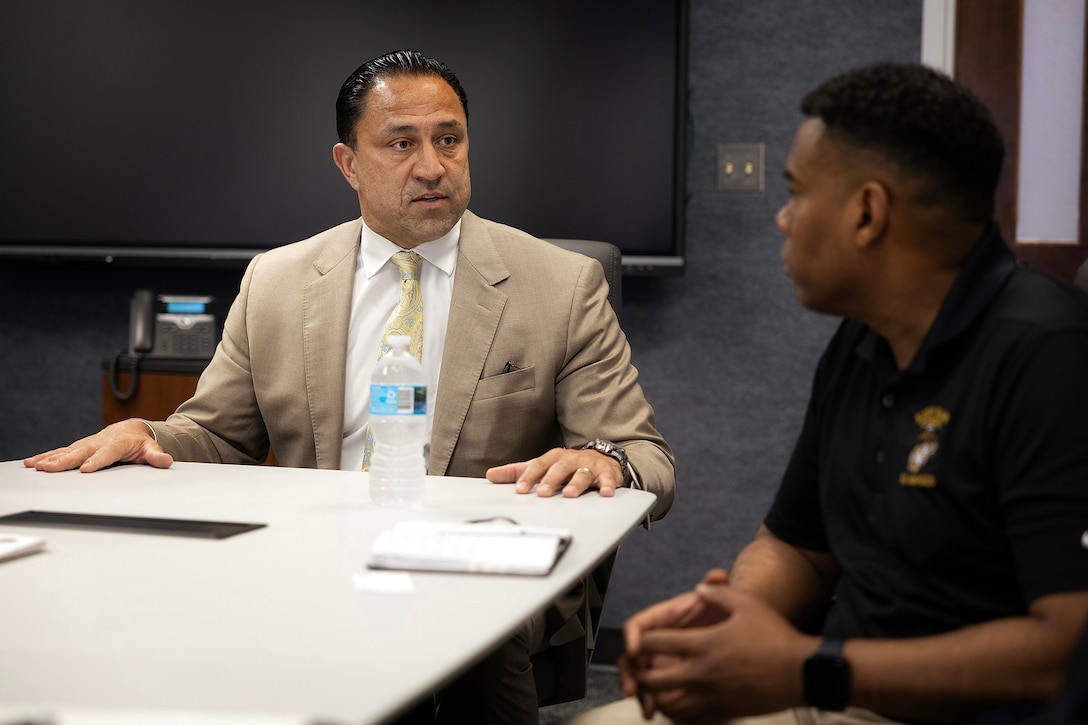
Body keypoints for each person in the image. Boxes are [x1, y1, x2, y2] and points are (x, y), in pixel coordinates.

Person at [24, 49, 675, 723]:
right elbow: (217, 434)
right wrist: (146, 434)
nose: (432, 165)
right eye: (401, 143)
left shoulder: (560, 285)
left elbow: (647, 458)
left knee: (464, 627)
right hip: (313, 552)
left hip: (478, 565)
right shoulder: (277, 281)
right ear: (349, 164)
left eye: (448, 140)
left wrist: (605, 459)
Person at [566, 62, 1088, 725]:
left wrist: (804, 667)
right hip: (835, 686)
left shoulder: (1047, 353)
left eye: (796, 193)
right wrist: (721, 623)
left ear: (868, 212)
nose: (783, 220)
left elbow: (1065, 646)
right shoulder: (861, 343)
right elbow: (799, 547)